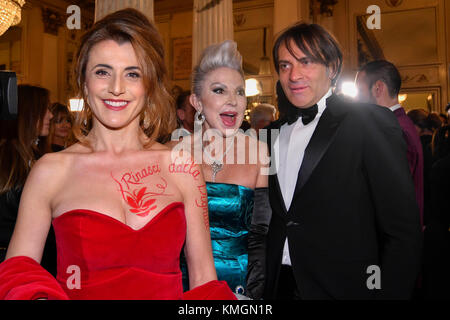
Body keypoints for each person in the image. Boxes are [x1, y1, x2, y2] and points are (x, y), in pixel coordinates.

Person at [0, 8, 235, 300]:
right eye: (102, 72)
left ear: (149, 86)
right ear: (84, 83)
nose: (116, 88)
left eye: (132, 74)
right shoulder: (50, 170)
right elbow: (18, 271)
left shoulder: (182, 166)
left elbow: (203, 280)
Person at [264, 22, 422, 300]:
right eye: (285, 65)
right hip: (278, 286)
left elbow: (402, 232)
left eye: (306, 61)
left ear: (333, 67)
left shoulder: (368, 122)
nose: (294, 75)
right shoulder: (271, 134)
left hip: (344, 288)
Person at [172, 40, 271, 299]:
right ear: (197, 101)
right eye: (219, 90)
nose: (233, 101)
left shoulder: (260, 152)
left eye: (239, 92)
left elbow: (260, 237)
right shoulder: (172, 152)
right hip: (180, 284)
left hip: (238, 285)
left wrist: (253, 294)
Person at [355, 60, 424, 227]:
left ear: (378, 88)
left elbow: (391, 194)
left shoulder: (393, 129)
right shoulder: (400, 123)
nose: (356, 99)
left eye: (359, 91)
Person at [0, 85, 55, 275]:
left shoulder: (38, 157)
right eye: (45, 109)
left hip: (38, 264)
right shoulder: (7, 159)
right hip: (11, 264)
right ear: (28, 112)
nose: (50, 115)